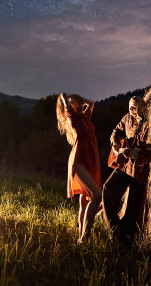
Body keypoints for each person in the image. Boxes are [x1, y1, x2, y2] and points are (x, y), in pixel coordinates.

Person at [102, 96, 150, 244]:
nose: (131, 109)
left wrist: (137, 153)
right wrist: (115, 145)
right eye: (130, 106)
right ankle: (115, 231)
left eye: (134, 106)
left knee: (131, 210)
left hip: (139, 171)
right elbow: (115, 130)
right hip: (123, 165)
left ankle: (124, 243)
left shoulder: (150, 124)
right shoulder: (127, 118)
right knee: (107, 190)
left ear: (142, 107)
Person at [56, 92, 102, 243]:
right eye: (71, 104)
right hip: (79, 160)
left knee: (85, 203)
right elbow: (67, 107)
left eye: (75, 103)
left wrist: (81, 102)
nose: (73, 105)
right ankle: (84, 239)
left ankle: (80, 238)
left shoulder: (85, 117)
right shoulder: (73, 119)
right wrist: (64, 98)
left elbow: (92, 102)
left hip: (90, 160)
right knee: (97, 195)